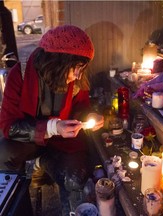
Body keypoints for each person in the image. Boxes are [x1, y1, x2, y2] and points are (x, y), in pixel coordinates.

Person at [0, 25, 104, 214]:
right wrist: (53, 127)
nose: (79, 76)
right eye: (76, 69)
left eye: (83, 69)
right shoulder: (20, 74)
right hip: (30, 140)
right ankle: (20, 205)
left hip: (64, 141)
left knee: (75, 178)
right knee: (3, 154)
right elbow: (8, 126)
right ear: (57, 62)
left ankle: (44, 164)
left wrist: (89, 116)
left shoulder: (77, 79)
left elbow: (81, 108)